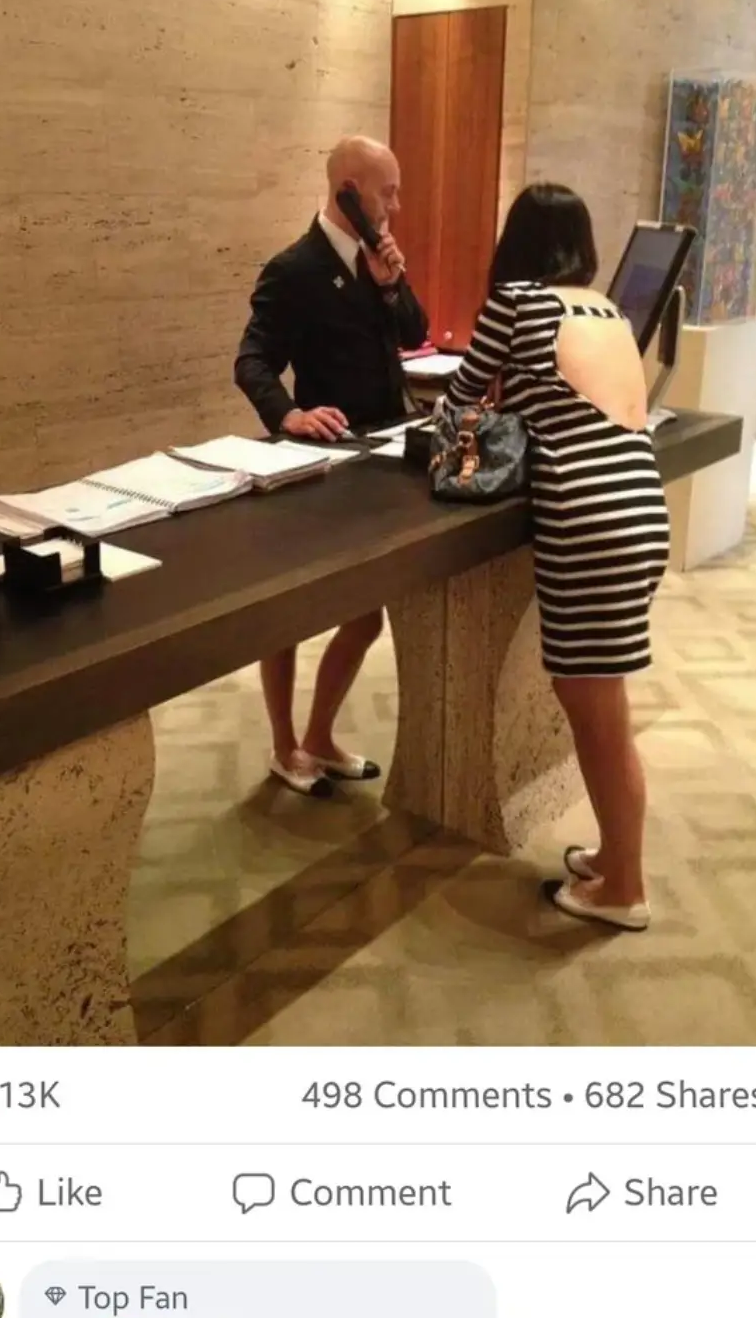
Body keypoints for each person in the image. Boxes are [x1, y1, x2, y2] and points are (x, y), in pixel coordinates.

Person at [443, 183, 669, 932]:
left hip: (588, 523)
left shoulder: (515, 299)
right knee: (607, 704)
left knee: (597, 718)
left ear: (516, 242)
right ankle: (614, 857)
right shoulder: (606, 307)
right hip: (640, 509)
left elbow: (463, 394)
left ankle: (624, 888)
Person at [234, 135, 429, 795]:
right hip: (316, 465)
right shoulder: (293, 268)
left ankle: (319, 733)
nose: (396, 205)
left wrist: (393, 283)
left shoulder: (380, 262)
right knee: (285, 614)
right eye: (387, 192)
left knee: (365, 613)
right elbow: (252, 360)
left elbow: (413, 332)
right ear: (348, 189)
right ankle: (284, 744)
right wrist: (287, 413)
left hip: (378, 459)